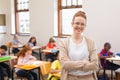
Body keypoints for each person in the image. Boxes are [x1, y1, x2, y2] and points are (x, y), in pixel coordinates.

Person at [58, 11, 98, 80]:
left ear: (85, 26)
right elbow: (64, 64)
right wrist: (84, 62)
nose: (79, 26)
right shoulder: (63, 43)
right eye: (77, 23)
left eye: (82, 24)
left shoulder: (91, 42)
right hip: (70, 77)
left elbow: (95, 65)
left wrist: (71, 63)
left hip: (88, 77)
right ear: (72, 24)